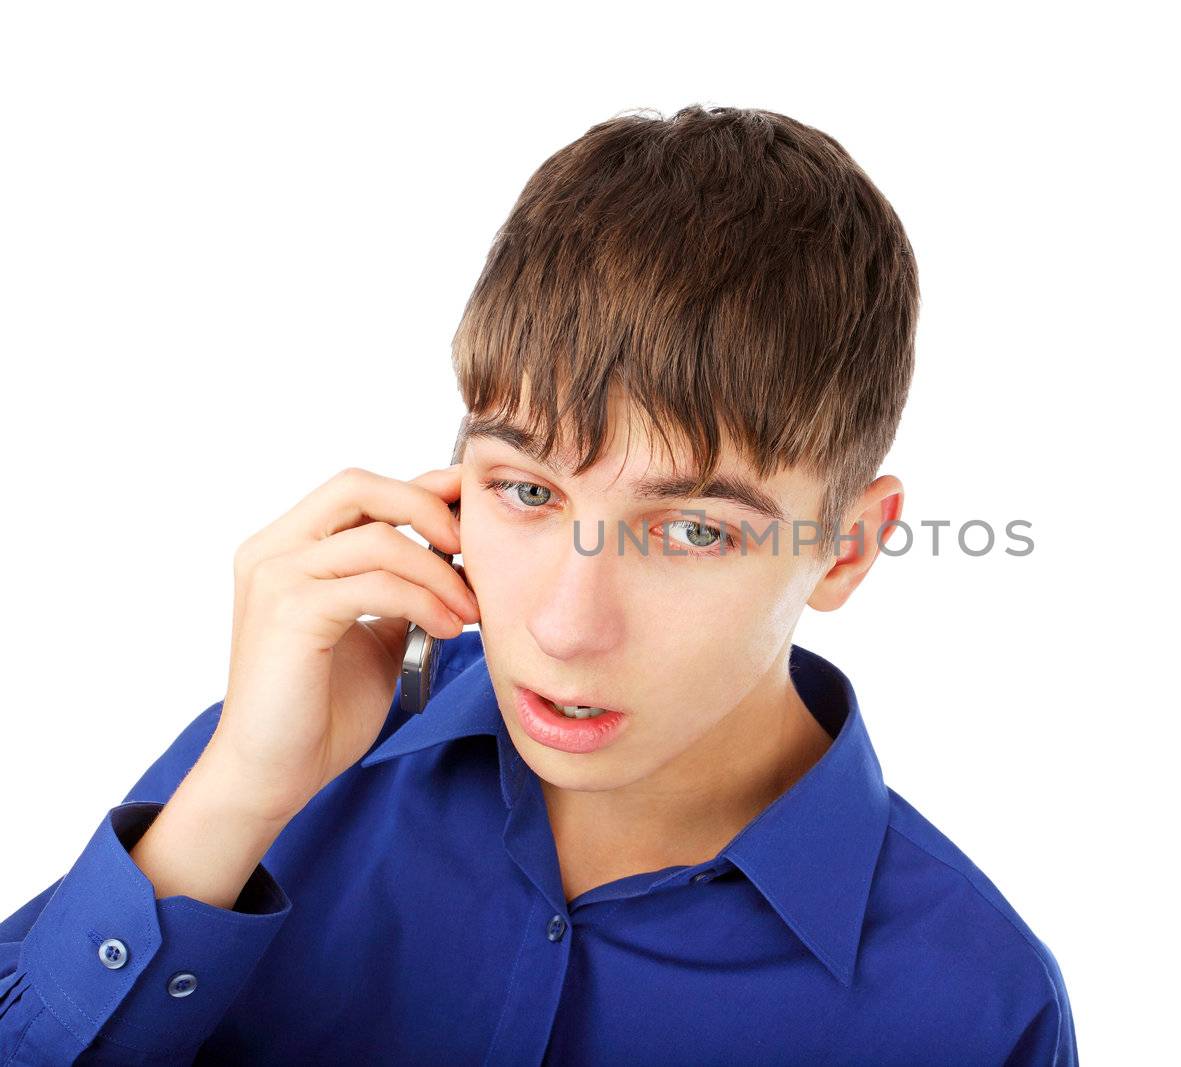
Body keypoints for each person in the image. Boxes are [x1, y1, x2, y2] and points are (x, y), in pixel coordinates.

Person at [0, 104, 1077, 1066]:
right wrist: (231, 797)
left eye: (692, 528)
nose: (565, 626)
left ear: (842, 547)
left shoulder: (977, 1009)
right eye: (524, 491)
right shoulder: (285, 751)